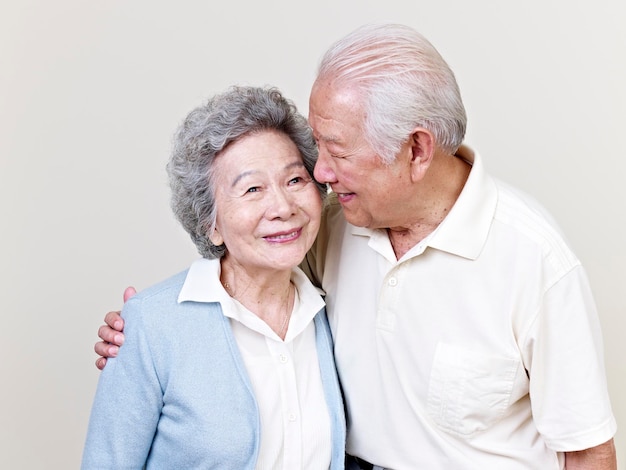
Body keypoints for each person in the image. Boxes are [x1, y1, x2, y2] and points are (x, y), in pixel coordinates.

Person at [94, 24, 617, 469]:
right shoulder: (332, 225)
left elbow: (588, 451)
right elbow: (244, 264)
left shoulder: (534, 260)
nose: (318, 174)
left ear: (416, 150)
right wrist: (144, 333)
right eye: (316, 146)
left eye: (335, 151)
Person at [82, 86, 346, 469]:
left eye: (295, 180)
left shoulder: (330, 312)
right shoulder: (151, 326)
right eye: (252, 189)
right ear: (211, 224)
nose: (283, 207)